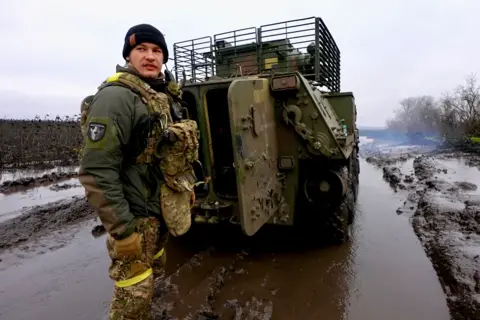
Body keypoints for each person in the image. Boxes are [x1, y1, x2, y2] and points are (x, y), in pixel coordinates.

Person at [79, 23, 198, 320]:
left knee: (151, 278)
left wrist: (184, 191)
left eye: (156, 51)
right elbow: (96, 171)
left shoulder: (161, 95)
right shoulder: (116, 98)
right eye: (141, 49)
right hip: (133, 217)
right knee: (132, 295)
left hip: (156, 212)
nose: (150, 56)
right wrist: (122, 230)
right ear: (128, 56)